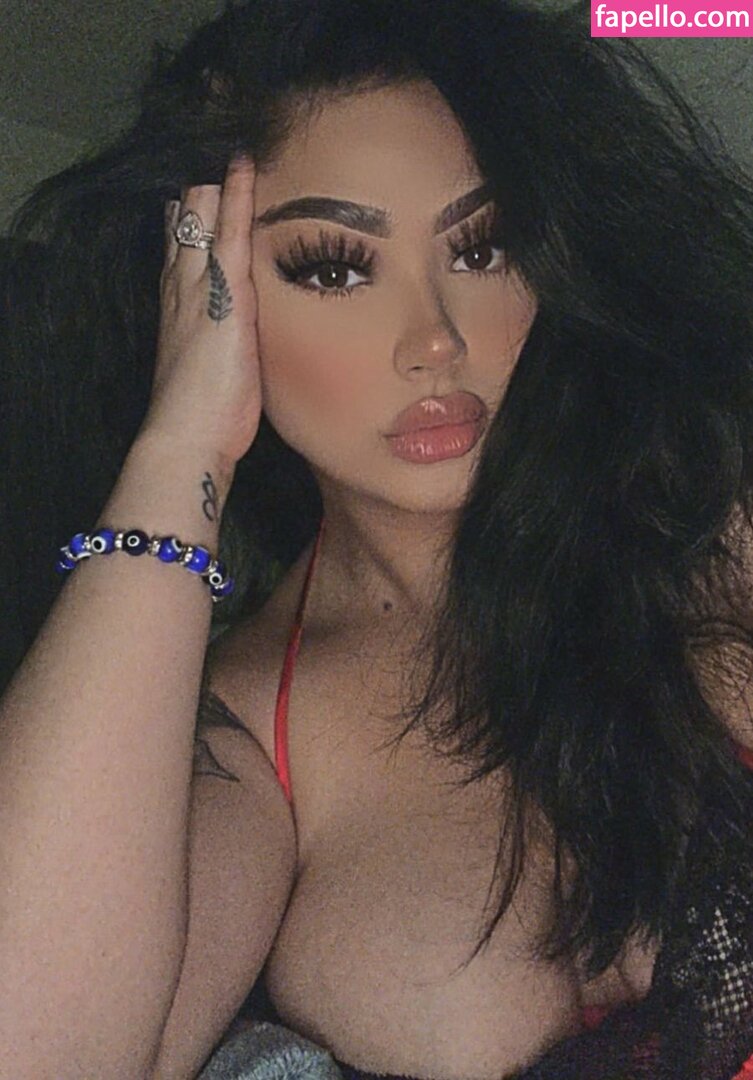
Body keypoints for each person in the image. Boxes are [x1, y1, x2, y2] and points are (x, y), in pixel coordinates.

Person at [1, 0, 753, 1076]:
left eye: (482, 246)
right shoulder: (249, 730)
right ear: (206, 300)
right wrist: (181, 451)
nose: (433, 338)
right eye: (332, 267)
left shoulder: (709, 521)